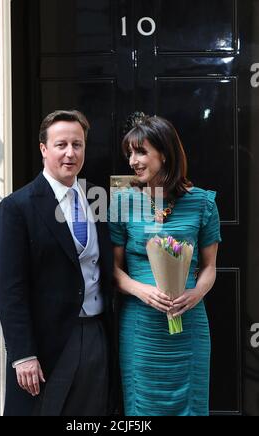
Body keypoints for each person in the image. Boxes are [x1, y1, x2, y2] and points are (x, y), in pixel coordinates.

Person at [0, 110, 115, 416]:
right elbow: (8, 288)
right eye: (61, 145)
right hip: (47, 345)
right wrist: (22, 355)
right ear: (43, 149)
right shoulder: (17, 207)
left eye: (78, 144)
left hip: (96, 335)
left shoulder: (97, 201)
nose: (70, 153)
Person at [109, 113, 221, 416]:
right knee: (142, 408)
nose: (133, 160)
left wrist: (195, 294)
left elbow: (210, 267)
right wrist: (140, 290)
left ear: (165, 153)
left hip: (189, 323)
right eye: (129, 153)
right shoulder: (122, 202)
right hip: (141, 327)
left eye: (141, 151)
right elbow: (113, 269)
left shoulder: (203, 202)